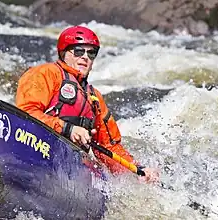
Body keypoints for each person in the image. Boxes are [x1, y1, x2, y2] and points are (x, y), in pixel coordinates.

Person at [15, 25, 159, 183]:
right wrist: (67, 128)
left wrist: (138, 170)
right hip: (40, 148)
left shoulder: (94, 98)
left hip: (72, 165)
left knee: (98, 171)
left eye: (91, 53)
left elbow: (109, 147)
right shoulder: (45, 73)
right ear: (64, 53)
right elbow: (25, 115)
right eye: (78, 51)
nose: (85, 57)